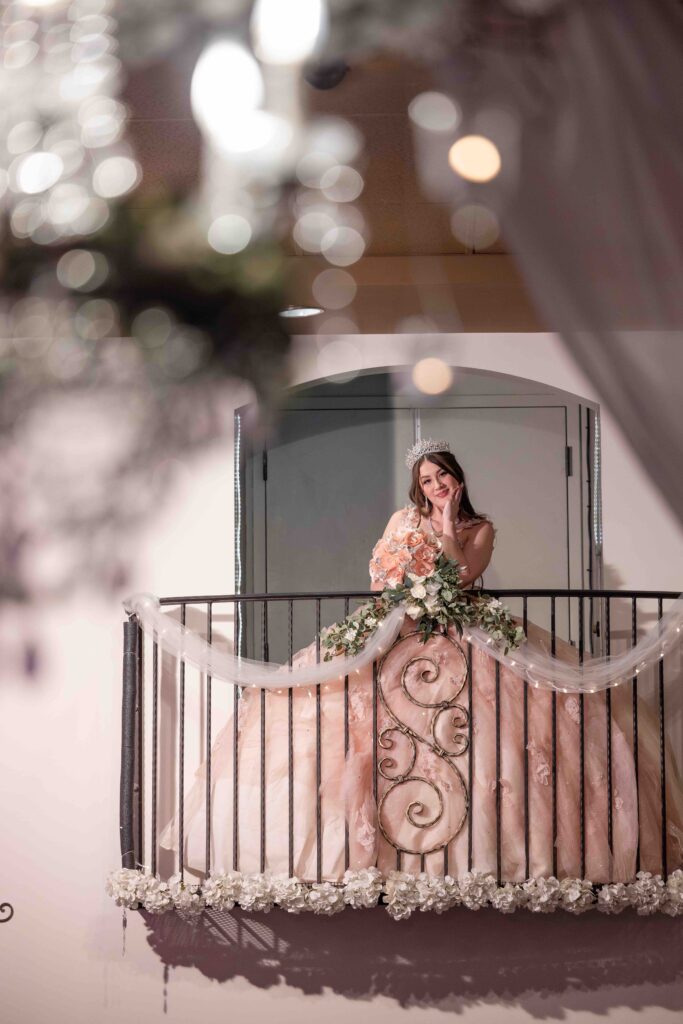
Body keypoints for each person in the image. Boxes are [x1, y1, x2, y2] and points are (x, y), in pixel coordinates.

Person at [161, 440, 682, 885]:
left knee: (486, 735)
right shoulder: (402, 520)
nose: (435, 485)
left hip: (463, 625)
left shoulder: (481, 527)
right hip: (404, 625)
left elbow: (462, 576)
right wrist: (407, 587)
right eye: (427, 479)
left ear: (457, 479)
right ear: (418, 485)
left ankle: (486, 858)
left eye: (442, 476)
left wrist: (450, 525)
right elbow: (379, 579)